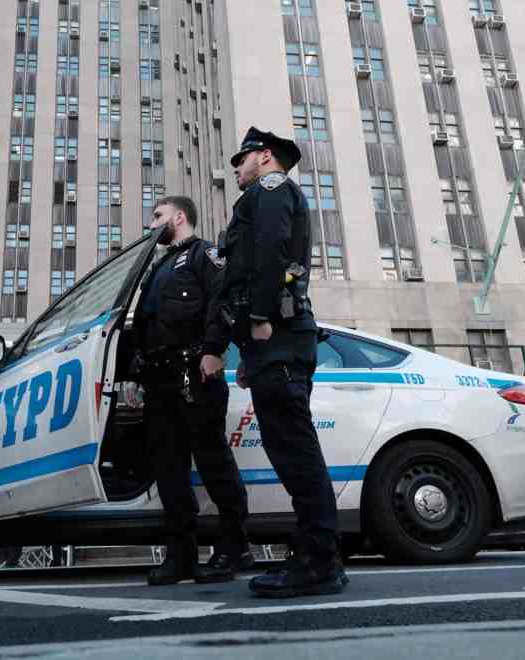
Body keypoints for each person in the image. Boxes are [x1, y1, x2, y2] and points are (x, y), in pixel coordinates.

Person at [218, 127, 347, 598]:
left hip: (278, 334)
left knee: (295, 451)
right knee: (290, 450)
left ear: (264, 156)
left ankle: (318, 561)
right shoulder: (264, 196)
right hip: (272, 342)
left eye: (242, 158)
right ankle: (318, 555)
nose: (237, 167)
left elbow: (270, 252)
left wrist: (257, 316)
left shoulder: (271, 190)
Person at [131, 196, 252, 586]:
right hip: (160, 382)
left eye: (157, 216)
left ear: (179, 217)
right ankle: (180, 556)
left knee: (214, 464)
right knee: (169, 472)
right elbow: (147, 325)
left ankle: (234, 548)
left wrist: (216, 350)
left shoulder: (205, 255)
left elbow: (223, 301)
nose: (152, 225)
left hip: (195, 376)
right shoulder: (157, 267)